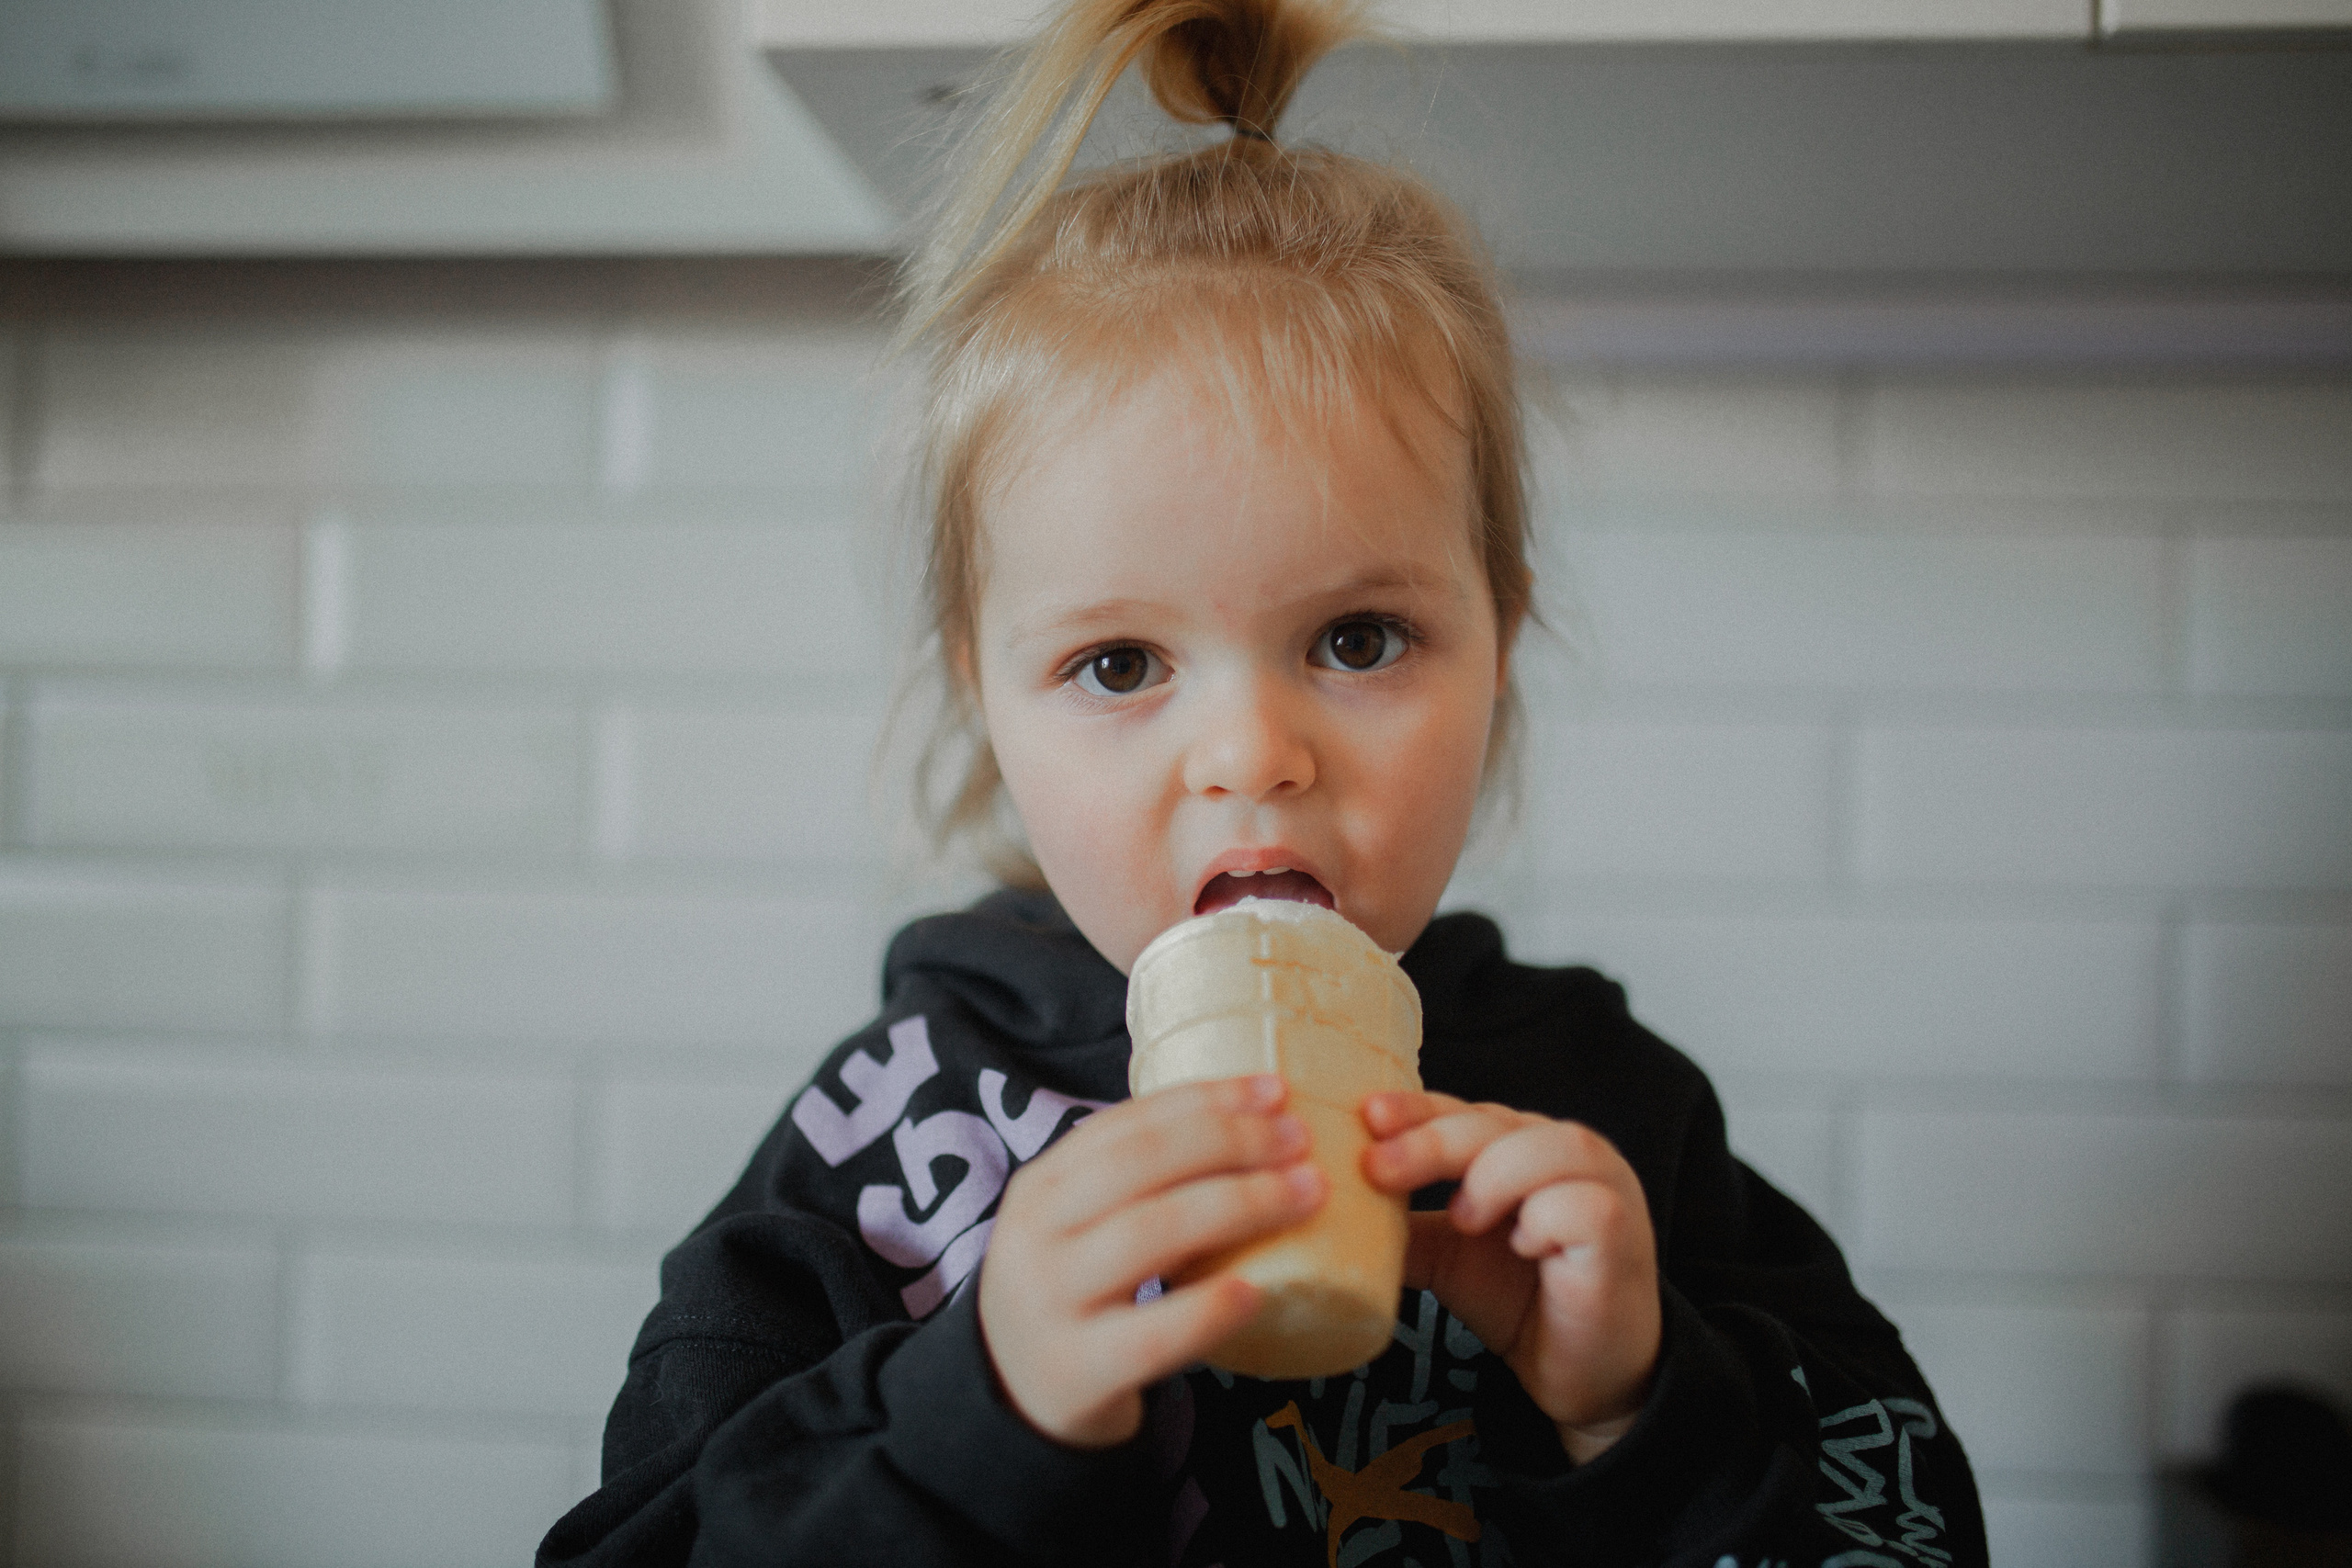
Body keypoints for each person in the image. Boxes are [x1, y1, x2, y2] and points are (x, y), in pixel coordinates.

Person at [539, 0, 1987, 1562]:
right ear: (982, 690)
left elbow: (1913, 1532)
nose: (1248, 756)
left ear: (1499, 642)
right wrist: (977, 1405)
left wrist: (1640, 1410)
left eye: (1359, 639)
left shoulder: (1609, 1116)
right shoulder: (884, 1147)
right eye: (1118, 664)